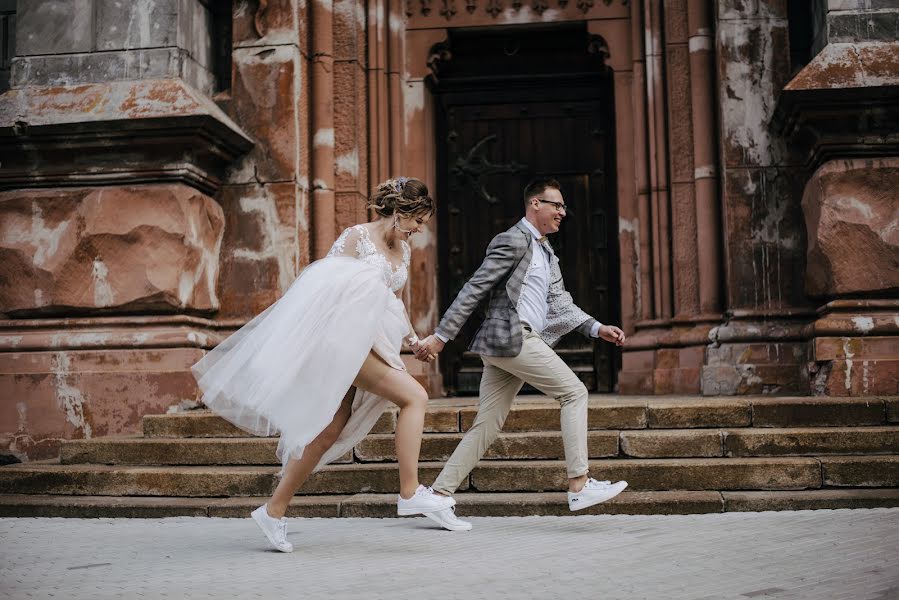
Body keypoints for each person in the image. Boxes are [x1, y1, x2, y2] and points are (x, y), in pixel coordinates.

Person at [192, 177, 455, 552]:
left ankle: (273, 510)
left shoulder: (404, 251)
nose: (419, 229)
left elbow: (391, 302)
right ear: (399, 213)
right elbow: (321, 288)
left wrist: (412, 341)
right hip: (339, 340)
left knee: (326, 432)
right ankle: (410, 492)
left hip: (371, 340)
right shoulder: (356, 238)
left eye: (423, 223)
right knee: (415, 396)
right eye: (417, 221)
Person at [415, 177, 628, 531]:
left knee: (488, 423)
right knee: (574, 392)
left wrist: (596, 328)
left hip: (509, 346)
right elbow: (475, 288)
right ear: (535, 205)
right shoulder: (513, 240)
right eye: (556, 205)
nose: (563, 212)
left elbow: (560, 302)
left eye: (563, 207)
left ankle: (437, 495)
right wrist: (441, 337)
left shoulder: (546, 251)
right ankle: (579, 484)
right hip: (513, 338)